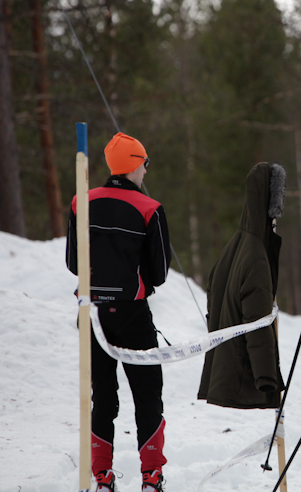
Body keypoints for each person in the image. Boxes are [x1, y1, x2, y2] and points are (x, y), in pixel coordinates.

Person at [66, 133, 170, 492]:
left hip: (93, 315)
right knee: (147, 395)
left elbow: (73, 262)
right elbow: (160, 272)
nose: (146, 170)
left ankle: (102, 477)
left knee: (102, 398)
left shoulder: (81, 202)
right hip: (133, 315)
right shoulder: (150, 208)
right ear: (135, 164)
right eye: (145, 162)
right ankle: (151, 476)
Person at [198, 162, 286, 409]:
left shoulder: (235, 245)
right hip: (241, 374)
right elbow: (256, 319)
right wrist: (266, 376)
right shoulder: (256, 256)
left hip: (224, 366)